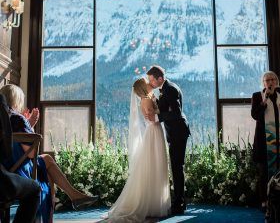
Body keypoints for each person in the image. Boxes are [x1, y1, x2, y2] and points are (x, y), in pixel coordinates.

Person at [0, 85, 98, 223]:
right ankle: (72, 198)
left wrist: (28, 125)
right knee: (46, 164)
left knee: (46, 163)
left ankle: (74, 197)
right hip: (18, 171)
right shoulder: (18, 118)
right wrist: (29, 126)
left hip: (5, 167)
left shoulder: (4, 118)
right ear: (17, 100)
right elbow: (31, 153)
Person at [107, 77, 171, 222]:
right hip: (154, 132)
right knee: (155, 165)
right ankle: (152, 203)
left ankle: (154, 202)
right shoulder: (147, 100)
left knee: (155, 165)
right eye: (147, 83)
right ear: (143, 87)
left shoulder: (147, 98)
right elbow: (152, 117)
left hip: (154, 131)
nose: (150, 84)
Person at [146, 65, 190, 215]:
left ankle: (179, 204)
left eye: (152, 80)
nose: (150, 83)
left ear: (160, 78)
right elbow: (167, 109)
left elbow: (177, 113)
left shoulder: (170, 89)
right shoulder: (164, 89)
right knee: (176, 167)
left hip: (178, 133)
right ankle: (180, 201)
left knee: (177, 168)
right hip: (174, 133)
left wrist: (158, 117)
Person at [251, 71, 280, 211]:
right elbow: (255, 115)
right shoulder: (257, 96)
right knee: (264, 172)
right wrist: (265, 100)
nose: (270, 82)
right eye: (267, 80)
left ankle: (279, 199)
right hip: (263, 142)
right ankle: (264, 201)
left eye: (273, 79)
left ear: (277, 82)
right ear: (263, 83)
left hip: (279, 141)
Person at [0, 93, 41, 223]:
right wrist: (29, 126)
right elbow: (7, 151)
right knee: (35, 188)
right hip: (5, 176)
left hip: (9, 167)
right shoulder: (12, 114)